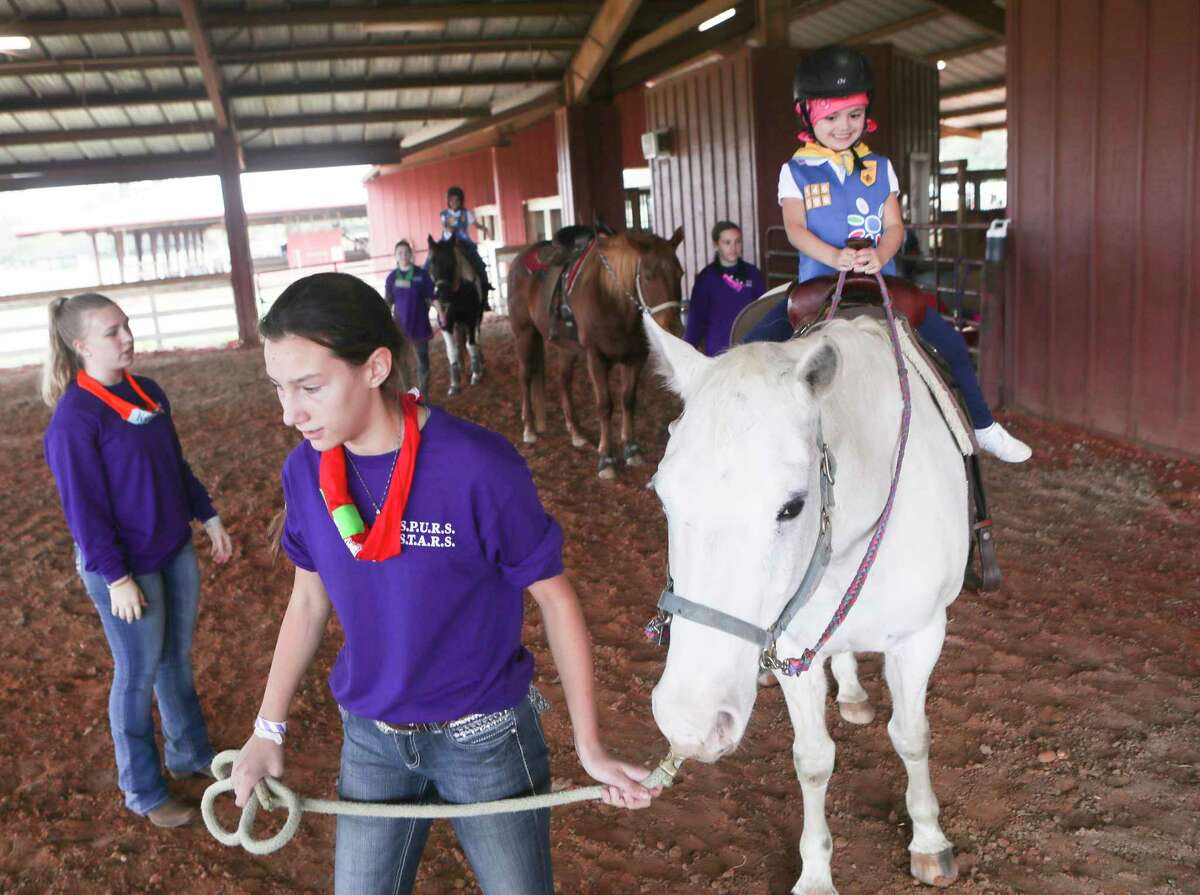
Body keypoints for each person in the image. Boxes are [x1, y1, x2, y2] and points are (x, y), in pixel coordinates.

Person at [232, 273, 657, 894]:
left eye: (310, 387)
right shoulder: (305, 471)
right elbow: (307, 600)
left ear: (376, 367)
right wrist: (267, 729)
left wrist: (589, 745)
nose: (289, 413)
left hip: (484, 735)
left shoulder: (477, 466)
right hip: (372, 737)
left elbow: (555, 600)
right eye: (279, 388)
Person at [746, 45, 1031, 463]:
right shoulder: (796, 170)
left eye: (854, 115)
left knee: (951, 346)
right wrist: (833, 254)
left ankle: (984, 426)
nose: (844, 127)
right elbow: (795, 228)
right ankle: (750, 433)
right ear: (807, 115)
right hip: (818, 284)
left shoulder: (880, 167)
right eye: (831, 117)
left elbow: (895, 225)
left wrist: (881, 254)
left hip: (880, 283)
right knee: (752, 345)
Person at [41, 292, 232, 828]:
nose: (127, 338)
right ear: (81, 346)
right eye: (112, 332)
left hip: (170, 547)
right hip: (124, 565)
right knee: (137, 671)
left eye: (126, 326)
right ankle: (144, 790)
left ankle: (189, 753)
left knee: (176, 657)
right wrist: (117, 576)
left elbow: (174, 463)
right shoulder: (74, 421)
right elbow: (83, 510)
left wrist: (206, 513)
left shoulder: (148, 392)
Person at [683, 221, 768, 357]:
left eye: (737, 242)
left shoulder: (753, 274)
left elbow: (765, 310)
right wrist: (685, 353)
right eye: (727, 242)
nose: (733, 247)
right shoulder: (706, 278)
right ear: (716, 245)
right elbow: (695, 321)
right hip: (718, 353)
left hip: (750, 350)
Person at [383, 239, 435, 395]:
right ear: (395, 256)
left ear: (411, 255)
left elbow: (432, 297)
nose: (403, 255)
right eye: (400, 253)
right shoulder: (392, 278)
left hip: (420, 325)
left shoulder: (422, 275)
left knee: (423, 361)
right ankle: (407, 393)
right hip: (401, 327)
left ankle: (424, 393)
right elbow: (388, 301)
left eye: (406, 252)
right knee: (402, 362)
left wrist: (442, 313)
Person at [438, 185, 493, 300]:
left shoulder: (466, 213)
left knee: (479, 262)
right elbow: (445, 227)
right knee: (432, 260)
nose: (454, 203)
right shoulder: (444, 214)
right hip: (447, 243)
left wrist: (485, 229)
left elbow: (476, 225)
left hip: (464, 242)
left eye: (457, 200)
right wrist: (449, 229)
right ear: (448, 201)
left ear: (461, 201)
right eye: (451, 200)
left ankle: (485, 287)